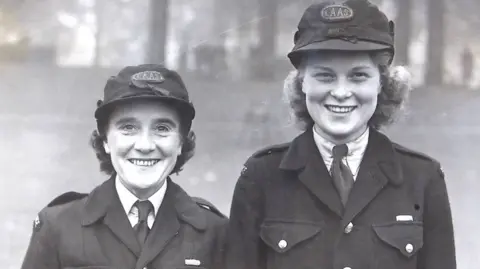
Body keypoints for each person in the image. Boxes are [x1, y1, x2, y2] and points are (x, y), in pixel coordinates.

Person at [225, 1, 456, 269]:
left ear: (382, 84)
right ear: (302, 83)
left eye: (358, 76)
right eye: (325, 76)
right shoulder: (260, 177)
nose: (341, 92)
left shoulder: (423, 179)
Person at [21, 64, 227, 269]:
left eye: (162, 128)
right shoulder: (58, 227)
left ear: (181, 142)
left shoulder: (217, 232)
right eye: (128, 128)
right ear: (105, 140)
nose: (145, 145)